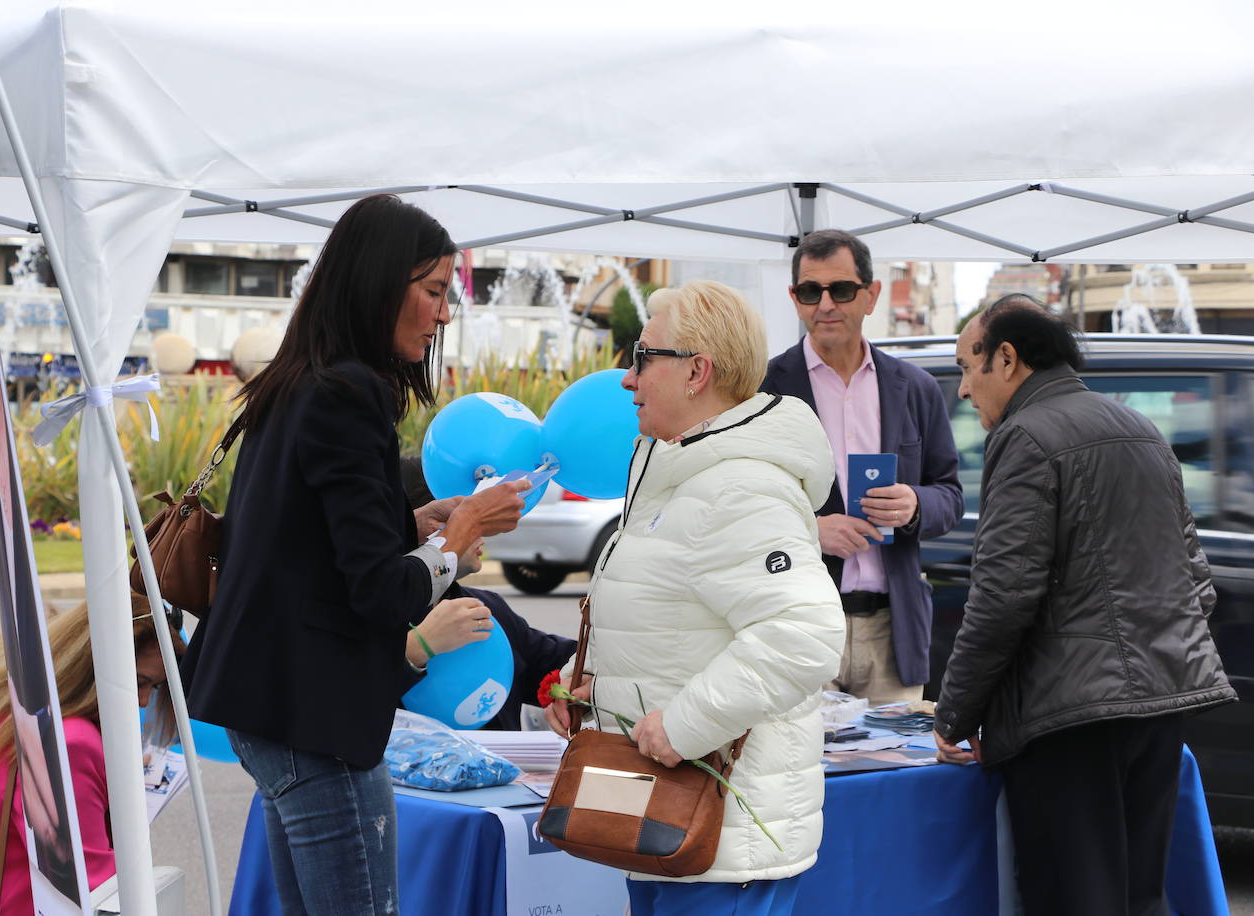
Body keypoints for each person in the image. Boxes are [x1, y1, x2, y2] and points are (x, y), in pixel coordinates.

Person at [179, 194, 527, 916]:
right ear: (378, 283)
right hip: (314, 716)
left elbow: (309, 539)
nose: (443, 314)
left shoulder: (300, 381)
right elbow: (378, 594)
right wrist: (457, 543)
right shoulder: (348, 394)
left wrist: (412, 522)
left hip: (273, 708)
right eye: (433, 291)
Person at [546, 280, 845, 916]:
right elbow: (675, 626)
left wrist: (683, 727)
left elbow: (804, 635)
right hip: (667, 828)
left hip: (718, 843)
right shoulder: (678, 476)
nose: (627, 379)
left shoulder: (738, 490)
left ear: (696, 372)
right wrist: (596, 693)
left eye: (641, 356)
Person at [933, 296, 1236, 916]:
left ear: (1008, 360)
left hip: (1070, 721)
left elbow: (1001, 597)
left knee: (1075, 897)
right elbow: (1196, 581)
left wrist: (953, 715)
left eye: (968, 367)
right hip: (1158, 704)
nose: (963, 390)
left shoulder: (1025, 435)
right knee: (1137, 895)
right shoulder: (1143, 429)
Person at [762, 229, 962, 704]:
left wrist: (915, 504)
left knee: (895, 772)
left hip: (894, 633)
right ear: (795, 299)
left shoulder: (914, 387)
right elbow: (734, 504)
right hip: (799, 624)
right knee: (804, 774)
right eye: (811, 291)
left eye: (842, 290)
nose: (826, 304)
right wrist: (809, 530)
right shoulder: (764, 388)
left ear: (871, 296)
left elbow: (950, 495)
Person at [0, 594, 182, 915]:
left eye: (153, 688)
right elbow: (93, 885)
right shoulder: (67, 742)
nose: (142, 701)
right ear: (93, 667)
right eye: (139, 682)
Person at [400, 456, 577, 731]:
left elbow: (559, 662)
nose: (481, 531)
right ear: (426, 526)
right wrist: (418, 649)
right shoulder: (370, 614)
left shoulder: (486, 608)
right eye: (465, 518)